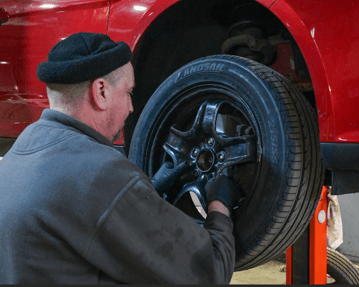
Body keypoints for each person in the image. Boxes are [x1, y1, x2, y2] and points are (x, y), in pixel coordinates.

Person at [0, 32, 240, 284]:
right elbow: (210, 273)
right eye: (128, 93)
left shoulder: (18, 154)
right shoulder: (101, 172)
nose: (131, 107)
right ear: (100, 91)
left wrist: (148, 190)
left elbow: (86, 220)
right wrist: (220, 203)